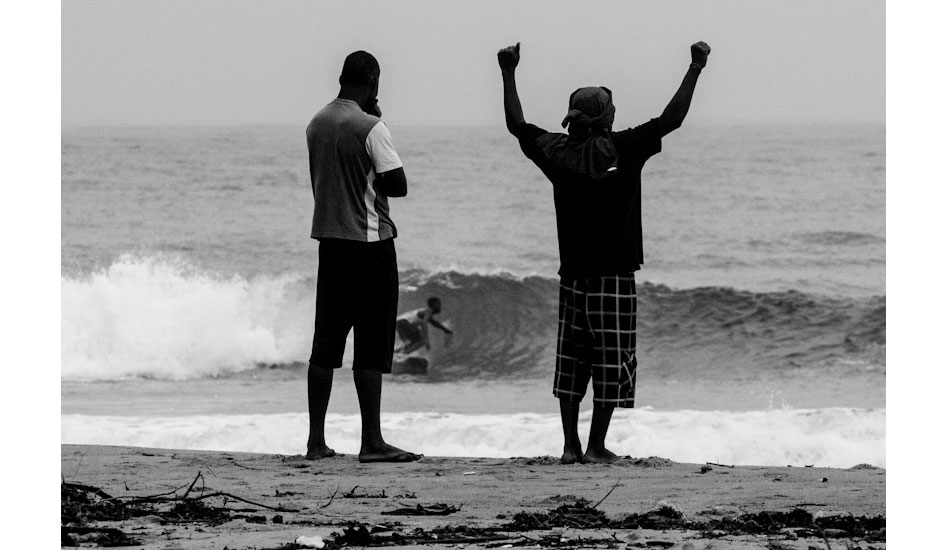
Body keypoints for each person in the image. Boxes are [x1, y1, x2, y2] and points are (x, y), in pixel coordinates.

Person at [497, 41, 711, 464]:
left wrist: (508, 72)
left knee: (572, 359)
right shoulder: (625, 148)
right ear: (606, 117)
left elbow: (517, 125)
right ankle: (596, 446)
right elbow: (672, 119)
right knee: (612, 361)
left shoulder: (555, 151)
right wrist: (695, 67)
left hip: (572, 274)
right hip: (614, 274)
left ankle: (569, 446)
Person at [305, 50, 421, 463]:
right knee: (370, 345)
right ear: (372, 80)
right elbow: (399, 185)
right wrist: (377, 122)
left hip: (330, 243)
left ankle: (315, 441)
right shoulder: (372, 127)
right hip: (370, 245)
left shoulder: (315, 124)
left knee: (326, 344)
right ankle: (371, 440)